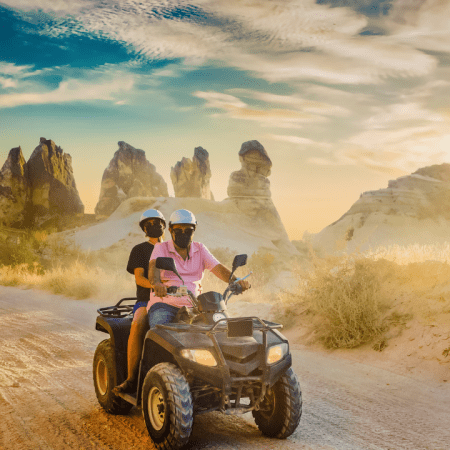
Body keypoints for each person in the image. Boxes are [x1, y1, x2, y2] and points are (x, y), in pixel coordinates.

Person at [148, 209, 250, 328]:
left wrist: (237, 281)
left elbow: (218, 269)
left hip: (196, 306)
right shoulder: (161, 247)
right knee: (161, 332)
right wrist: (156, 283)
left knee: (221, 330)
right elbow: (153, 267)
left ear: (194, 230)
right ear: (170, 230)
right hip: (165, 305)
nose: (183, 234)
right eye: (178, 230)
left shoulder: (199, 248)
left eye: (188, 230)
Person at [113, 209, 166, 395]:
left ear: (165, 226)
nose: (156, 226)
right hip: (146, 299)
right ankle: (131, 378)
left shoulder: (171, 249)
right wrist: (155, 286)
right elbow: (139, 278)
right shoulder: (139, 250)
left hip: (173, 299)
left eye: (159, 222)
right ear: (144, 228)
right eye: (150, 223)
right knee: (138, 322)